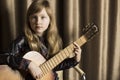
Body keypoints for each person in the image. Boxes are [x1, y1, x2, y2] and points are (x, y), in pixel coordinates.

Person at [0, 0, 82, 80]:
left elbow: (54, 66)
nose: (38, 22)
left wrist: (75, 60)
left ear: (50, 20)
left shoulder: (53, 41)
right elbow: (4, 57)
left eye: (43, 17)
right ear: (29, 20)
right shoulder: (23, 39)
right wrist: (28, 65)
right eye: (34, 17)